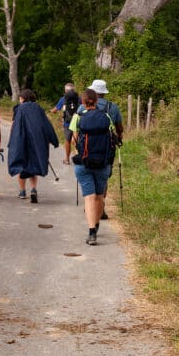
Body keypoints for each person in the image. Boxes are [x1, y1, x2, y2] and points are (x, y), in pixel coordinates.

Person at [69, 89, 114, 245]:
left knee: (89, 197)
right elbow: (111, 137)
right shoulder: (106, 116)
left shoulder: (78, 117)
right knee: (100, 196)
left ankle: (91, 232)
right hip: (102, 162)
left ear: (83, 102)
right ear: (96, 101)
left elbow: (74, 141)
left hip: (84, 162)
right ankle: (97, 224)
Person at [8, 88, 59, 203]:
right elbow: (46, 124)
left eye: (20, 98)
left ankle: (22, 191)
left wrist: (12, 142)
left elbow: (14, 126)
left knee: (21, 164)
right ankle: (33, 189)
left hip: (22, 141)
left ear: (23, 98)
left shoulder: (19, 109)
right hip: (37, 141)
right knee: (33, 165)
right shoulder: (38, 108)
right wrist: (53, 140)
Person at [87, 79, 124, 220]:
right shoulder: (113, 107)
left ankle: (90, 205)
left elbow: (77, 126)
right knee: (104, 174)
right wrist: (119, 138)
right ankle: (101, 208)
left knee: (89, 173)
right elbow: (119, 127)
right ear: (104, 93)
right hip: (107, 146)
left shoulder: (84, 106)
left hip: (88, 145)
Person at [52, 83, 79, 165]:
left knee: (67, 141)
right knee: (77, 141)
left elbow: (55, 110)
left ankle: (67, 159)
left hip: (67, 123)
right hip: (78, 123)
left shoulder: (63, 99)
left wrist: (52, 111)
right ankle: (79, 159)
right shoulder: (79, 99)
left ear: (65, 90)